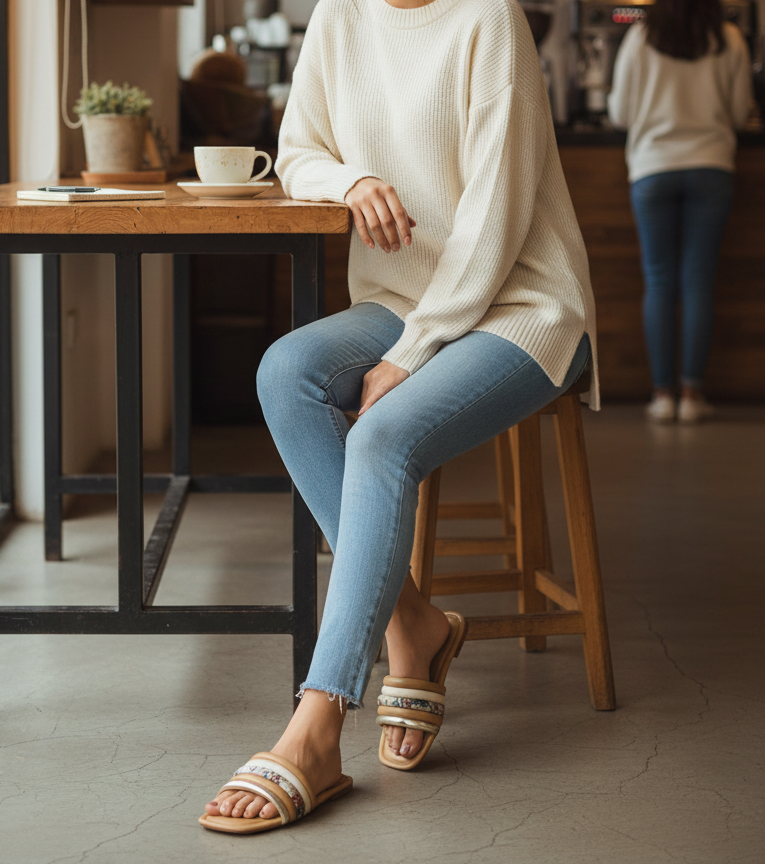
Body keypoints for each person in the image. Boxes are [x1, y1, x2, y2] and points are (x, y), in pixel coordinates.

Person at [199, 0, 599, 834]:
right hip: (403, 300)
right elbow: (299, 150)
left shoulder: (490, 20)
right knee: (287, 371)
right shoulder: (339, 15)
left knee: (381, 433)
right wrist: (352, 180)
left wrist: (409, 356)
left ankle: (318, 722)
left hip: (520, 304)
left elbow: (493, 225)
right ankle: (414, 627)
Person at [608, 0, 752, 424]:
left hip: (653, 169)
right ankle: (691, 394)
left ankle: (661, 395)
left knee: (659, 279)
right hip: (712, 167)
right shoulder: (729, 38)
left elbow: (619, 114)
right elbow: (741, 112)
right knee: (697, 281)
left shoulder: (640, 37)